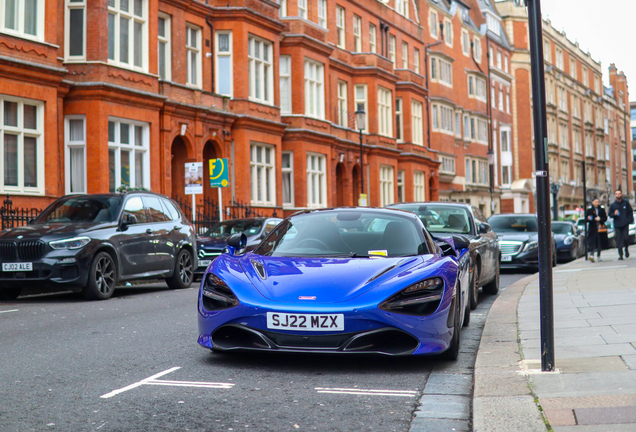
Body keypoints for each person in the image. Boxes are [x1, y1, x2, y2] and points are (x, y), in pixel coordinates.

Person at [608, 189, 634, 260]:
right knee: (618, 240)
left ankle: (626, 249)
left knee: (626, 238)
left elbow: (630, 212)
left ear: (621, 194)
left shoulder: (626, 203)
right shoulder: (613, 205)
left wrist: (629, 220)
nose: (618, 195)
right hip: (617, 225)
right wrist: (614, 214)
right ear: (615, 195)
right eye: (617, 194)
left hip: (625, 224)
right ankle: (621, 255)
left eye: (619, 193)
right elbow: (610, 214)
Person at [585, 197, 606, 262]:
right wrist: (588, 218)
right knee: (592, 242)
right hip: (592, 228)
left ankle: (598, 255)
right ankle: (591, 255)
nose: (597, 203)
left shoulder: (601, 209)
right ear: (592, 202)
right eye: (595, 202)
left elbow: (605, 218)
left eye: (598, 202)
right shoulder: (590, 210)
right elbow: (586, 219)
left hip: (600, 228)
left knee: (599, 242)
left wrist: (600, 219)